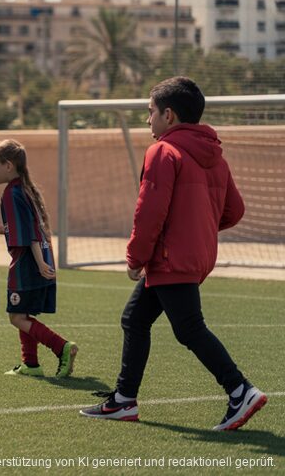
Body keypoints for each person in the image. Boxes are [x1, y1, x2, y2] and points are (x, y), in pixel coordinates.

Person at [80, 76, 266, 430]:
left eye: (150, 111)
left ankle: (240, 389)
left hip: (168, 257)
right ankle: (123, 400)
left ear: (169, 115)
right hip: (188, 257)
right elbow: (235, 211)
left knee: (189, 328)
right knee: (135, 319)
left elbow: (149, 212)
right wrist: (195, 231)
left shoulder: (163, 151)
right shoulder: (216, 157)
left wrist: (135, 257)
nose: (147, 119)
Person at [0, 139, 77, 379]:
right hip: (38, 259)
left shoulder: (11, 194)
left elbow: (30, 234)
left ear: (8, 165)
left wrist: (40, 263)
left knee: (16, 317)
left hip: (27, 264)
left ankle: (61, 347)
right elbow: (23, 227)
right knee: (22, 313)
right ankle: (30, 364)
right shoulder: (25, 189)